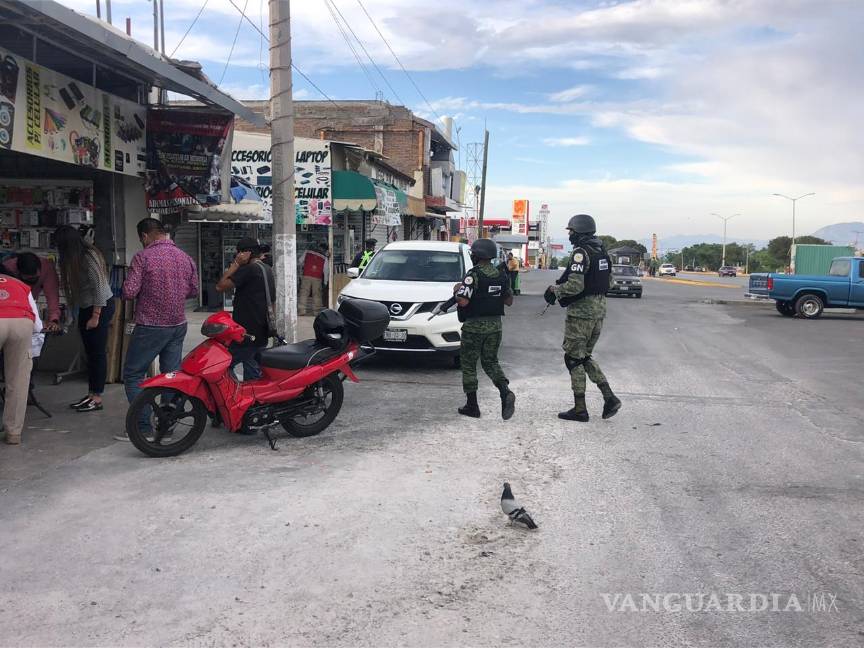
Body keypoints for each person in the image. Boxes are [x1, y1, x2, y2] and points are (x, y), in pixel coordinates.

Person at [116, 218, 199, 442]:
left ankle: (143, 426)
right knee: (170, 375)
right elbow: (193, 291)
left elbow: (130, 291)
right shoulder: (185, 257)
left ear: (144, 236)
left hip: (151, 325)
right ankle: (167, 425)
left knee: (133, 375)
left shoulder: (143, 258)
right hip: (178, 324)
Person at [546, 214, 621, 422]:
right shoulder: (602, 252)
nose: (569, 235)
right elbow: (610, 282)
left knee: (573, 359)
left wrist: (555, 289)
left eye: (571, 231)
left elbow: (575, 285)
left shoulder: (581, 253)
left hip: (581, 314)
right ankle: (609, 398)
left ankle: (580, 409)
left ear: (578, 231)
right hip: (599, 312)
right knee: (585, 356)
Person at [453, 238, 516, 420]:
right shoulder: (501, 275)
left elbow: (463, 301)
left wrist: (457, 291)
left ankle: (472, 406)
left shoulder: (473, 275)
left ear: (477, 255)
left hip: (474, 327)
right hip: (495, 326)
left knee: (469, 365)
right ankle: (505, 392)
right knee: (491, 362)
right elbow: (509, 301)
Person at [55, 225, 115, 413]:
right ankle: (91, 394)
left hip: (99, 306)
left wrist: (96, 316)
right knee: (90, 352)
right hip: (85, 307)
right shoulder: (73, 259)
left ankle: (96, 397)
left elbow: (100, 287)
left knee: (97, 352)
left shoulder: (89, 256)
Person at [215, 237, 275, 380]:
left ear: (246, 253)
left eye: (239, 253)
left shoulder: (249, 269)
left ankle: (236, 395)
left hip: (246, 332)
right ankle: (253, 398)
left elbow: (220, 286)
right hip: (262, 329)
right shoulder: (266, 269)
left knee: (223, 365)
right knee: (252, 366)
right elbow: (272, 301)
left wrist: (236, 264)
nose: (237, 256)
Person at [0, 275, 43, 445]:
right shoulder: (20, 285)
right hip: (22, 322)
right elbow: (38, 326)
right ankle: (13, 433)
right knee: (18, 380)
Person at [2, 252, 62, 332]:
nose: (33, 281)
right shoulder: (7, 268)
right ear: (18, 272)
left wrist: (54, 320)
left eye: (35, 278)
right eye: (29, 279)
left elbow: (52, 296)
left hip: (30, 305)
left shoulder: (47, 267)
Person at [298, 241, 327, 315]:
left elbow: (300, 261)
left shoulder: (307, 252)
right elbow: (326, 270)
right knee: (317, 294)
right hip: (317, 277)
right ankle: (316, 311)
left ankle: (302, 310)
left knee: (304, 293)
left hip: (306, 275)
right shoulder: (324, 257)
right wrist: (325, 281)